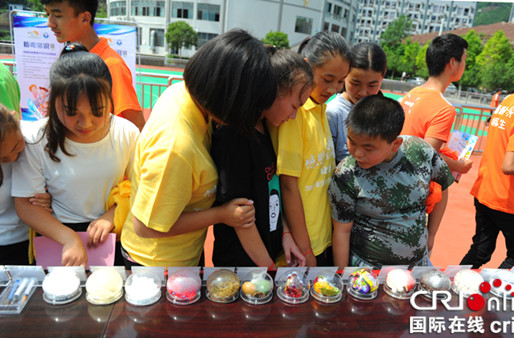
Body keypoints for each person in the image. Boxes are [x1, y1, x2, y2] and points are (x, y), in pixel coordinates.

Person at [120, 29, 277, 268]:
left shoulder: (184, 93)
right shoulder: (175, 147)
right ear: (229, 96)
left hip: (184, 251)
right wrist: (221, 214)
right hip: (158, 263)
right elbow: (146, 226)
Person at [12, 45, 140, 266]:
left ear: (110, 99)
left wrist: (111, 217)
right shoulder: (36, 137)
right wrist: (68, 239)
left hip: (112, 233)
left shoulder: (126, 132)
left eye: (97, 111)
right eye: (71, 112)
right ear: (53, 102)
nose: (86, 123)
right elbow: (26, 204)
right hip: (54, 233)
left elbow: (141, 189)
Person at [211, 49, 313, 268]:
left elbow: (270, 190)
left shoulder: (265, 127)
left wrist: (285, 234)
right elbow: (241, 219)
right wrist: (269, 270)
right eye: (295, 106)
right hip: (242, 266)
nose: (293, 116)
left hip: (264, 258)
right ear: (272, 90)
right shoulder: (234, 136)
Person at [329, 95, 454, 270]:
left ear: (395, 144)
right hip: (368, 270)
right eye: (352, 142)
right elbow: (342, 232)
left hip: (417, 265)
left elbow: (443, 186)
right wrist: (342, 277)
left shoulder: (420, 152)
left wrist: (431, 234)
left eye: (368, 147)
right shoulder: (346, 174)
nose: (357, 154)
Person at [269, 31, 351, 266]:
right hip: (300, 248)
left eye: (340, 81)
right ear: (305, 68)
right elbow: (288, 184)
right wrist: (305, 250)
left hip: (321, 237)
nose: (334, 88)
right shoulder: (295, 114)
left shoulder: (319, 108)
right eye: (327, 79)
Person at [460, 57, 514, 269]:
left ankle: (454, 289)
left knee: (480, 251)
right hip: (509, 200)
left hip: (485, 191)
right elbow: (510, 166)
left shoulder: (513, 99)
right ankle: (492, 297)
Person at [41, 0, 145, 130]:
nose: (50, 23)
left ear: (85, 18)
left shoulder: (111, 66)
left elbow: (137, 126)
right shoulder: (70, 57)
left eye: (57, 15)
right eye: (47, 14)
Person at [400, 33, 473, 175]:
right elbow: (427, 156)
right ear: (452, 62)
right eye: (464, 60)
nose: (465, 65)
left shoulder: (413, 92)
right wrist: (459, 166)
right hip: (411, 180)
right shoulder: (444, 109)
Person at [0, 105, 52, 265]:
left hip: (29, 242)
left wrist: (49, 196)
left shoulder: (35, 136)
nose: (13, 158)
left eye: (16, 146)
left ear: (15, 118)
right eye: (3, 159)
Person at [327, 42, 386, 164]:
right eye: (355, 83)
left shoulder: (384, 110)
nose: (363, 92)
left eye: (372, 85)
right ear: (345, 74)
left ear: (382, 76)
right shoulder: (333, 113)